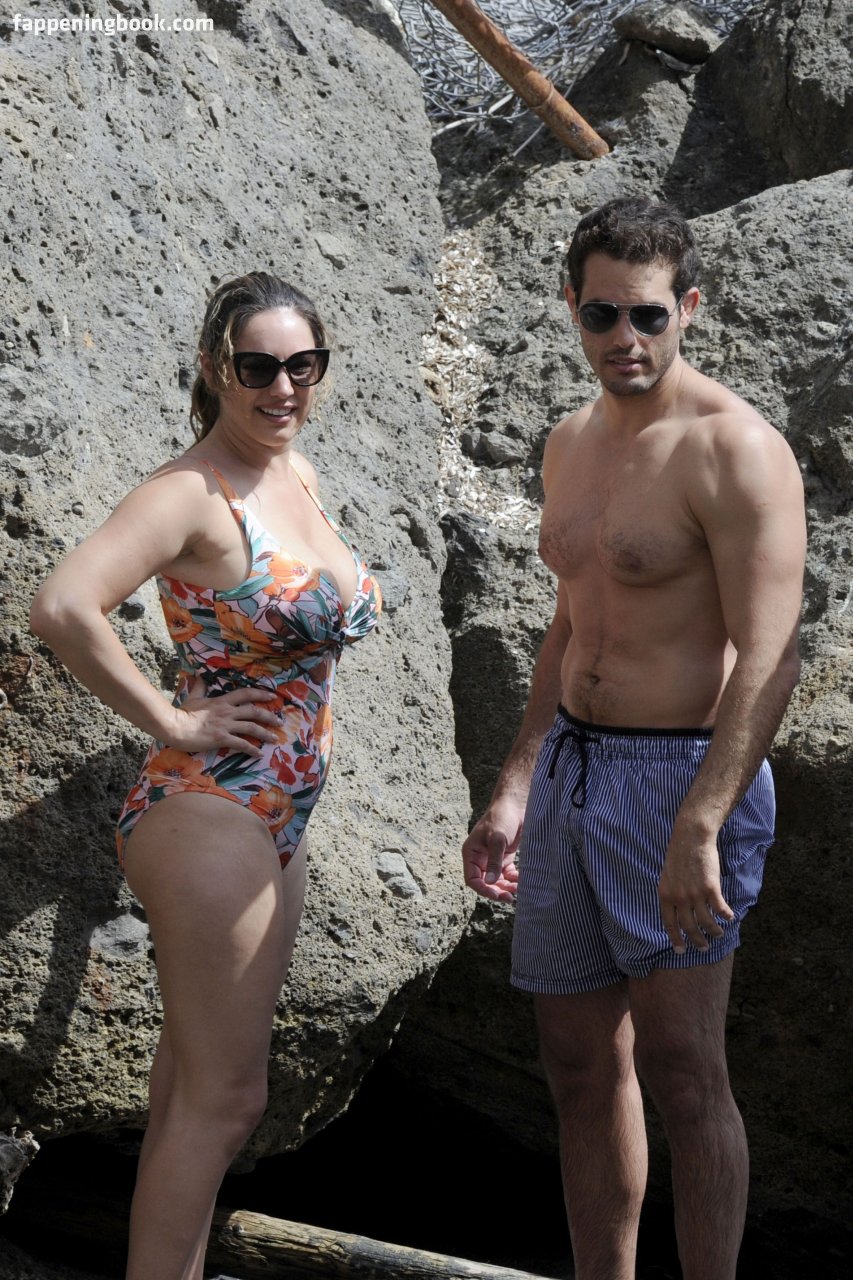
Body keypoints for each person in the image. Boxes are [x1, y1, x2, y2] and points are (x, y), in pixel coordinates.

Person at [462, 197, 805, 1280]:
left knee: (683, 1071)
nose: (625, 338)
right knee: (575, 1065)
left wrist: (700, 823)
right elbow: (571, 620)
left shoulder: (733, 449)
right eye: (602, 314)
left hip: (677, 777)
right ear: (571, 305)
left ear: (687, 308)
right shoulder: (569, 443)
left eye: (648, 315)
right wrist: (515, 784)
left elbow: (772, 655)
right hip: (571, 766)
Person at [30, 272, 381, 1280]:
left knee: (191, 1091)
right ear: (213, 368)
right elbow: (63, 605)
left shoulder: (294, 471)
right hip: (209, 808)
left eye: (302, 365)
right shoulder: (190, 492)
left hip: (279, 811)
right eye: (257, 367)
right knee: (228, 1099)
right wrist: (174, 719)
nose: (283, 387)